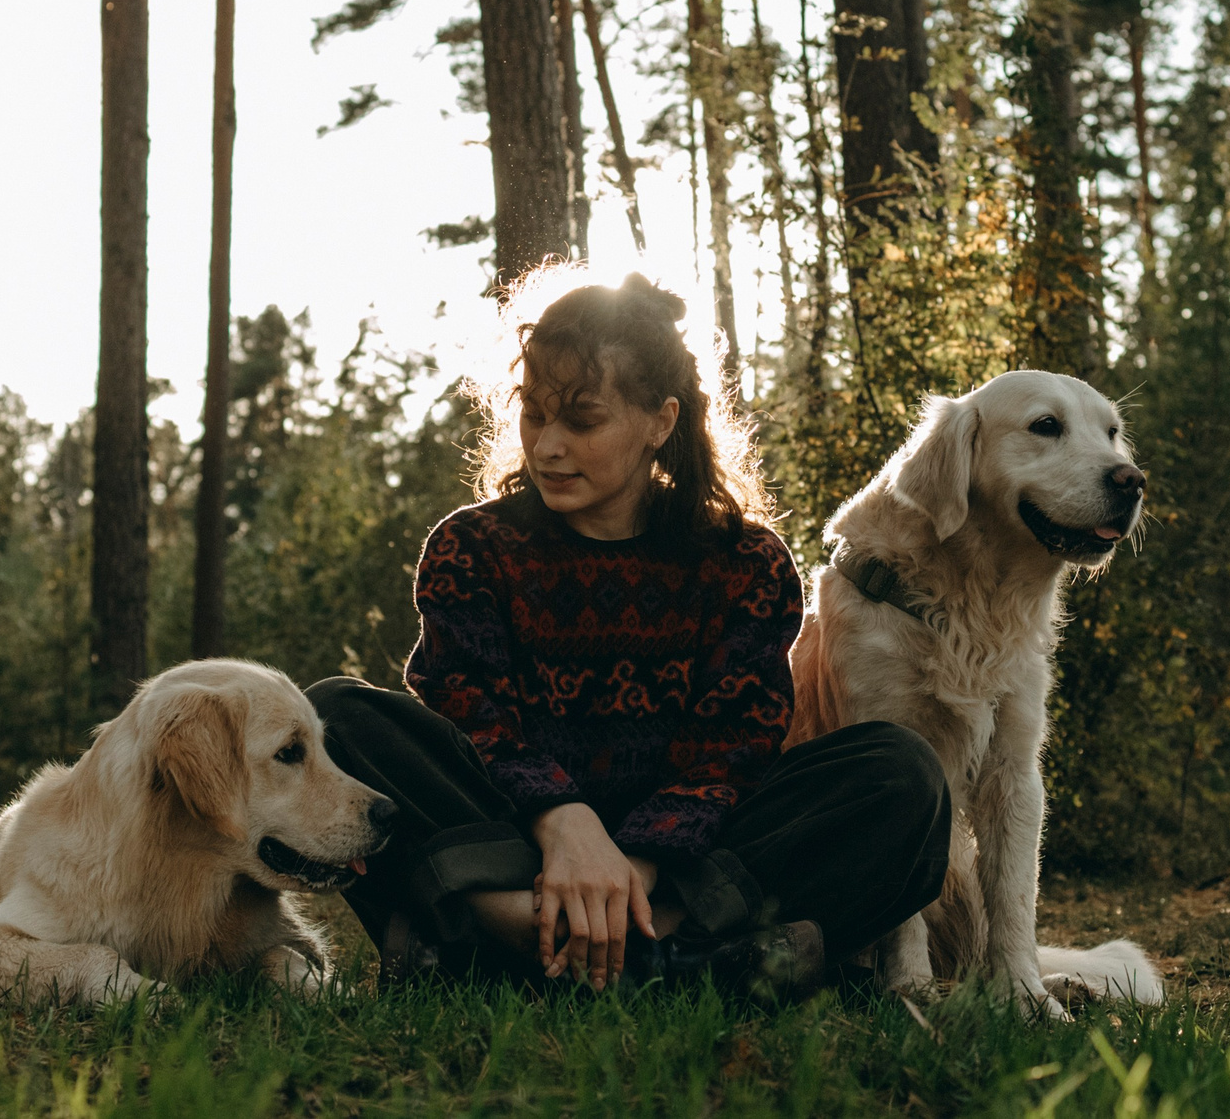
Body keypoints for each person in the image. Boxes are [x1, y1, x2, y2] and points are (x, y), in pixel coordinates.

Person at [309, 269, 951, 995]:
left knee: (904, 776)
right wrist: (564, 822)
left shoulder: (747, 563)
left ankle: (500, 947)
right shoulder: (471, 548)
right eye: (533, 415)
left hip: (684, 864)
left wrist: (638, 860)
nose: (547, 445)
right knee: (334, 719)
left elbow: (728, 754)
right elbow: (470, 711)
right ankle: (682, 960)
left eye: (580, 420)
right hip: (515, 842)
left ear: (660, 421)